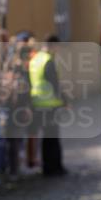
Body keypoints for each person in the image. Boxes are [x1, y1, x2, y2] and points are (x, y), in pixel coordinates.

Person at [28, 34, 66, 177]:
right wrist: (65, 100)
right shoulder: (48, 60)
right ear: (53, 45)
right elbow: (54, 83)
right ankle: (55, 167)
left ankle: (47, 167)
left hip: (36, 102)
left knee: (45, 137)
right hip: (49, 104)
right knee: (53, 137)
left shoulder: (35, 59)